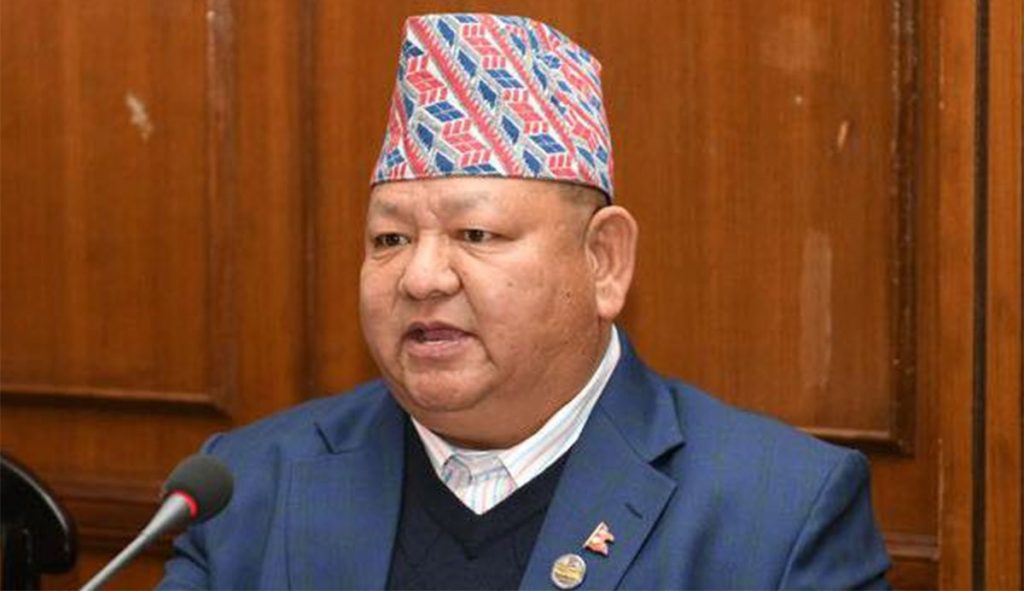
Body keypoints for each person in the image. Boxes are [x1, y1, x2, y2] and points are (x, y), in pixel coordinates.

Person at [159, 13, 890, 590]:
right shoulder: (246, 486)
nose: (421, 277)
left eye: (475, 234)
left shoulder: (779, 511)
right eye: (389, 239)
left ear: (604, 261)